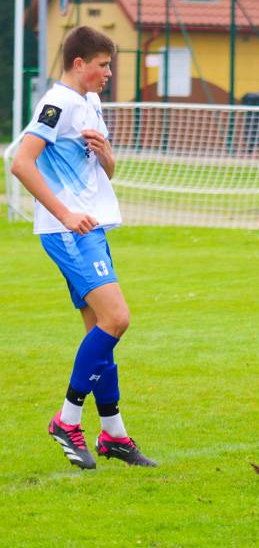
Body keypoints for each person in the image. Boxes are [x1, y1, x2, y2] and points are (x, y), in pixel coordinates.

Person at [11, 26, 156, 469]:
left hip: (92, 227)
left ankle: (113, 434)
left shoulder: (90, 102)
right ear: (79, 64)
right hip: (70, 232)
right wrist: (65, 215)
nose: (109, 73)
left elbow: (102, 170)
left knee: (101, 332)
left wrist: (108, 156)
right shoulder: (58, 103)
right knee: (117, 319)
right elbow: (21, 163)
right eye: (103, 65)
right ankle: (67, 420)